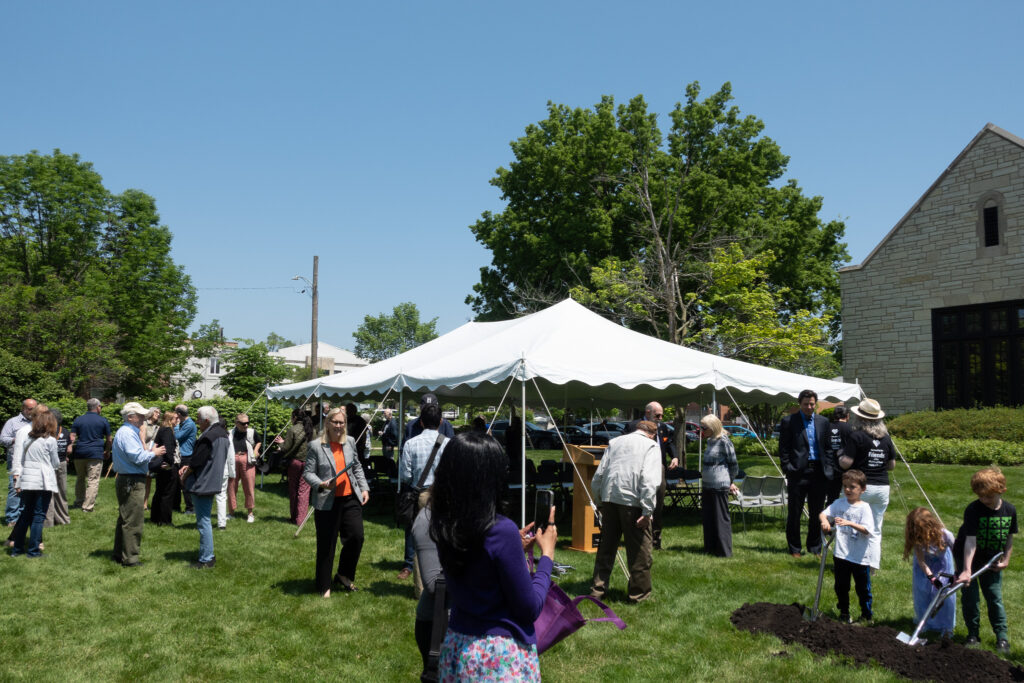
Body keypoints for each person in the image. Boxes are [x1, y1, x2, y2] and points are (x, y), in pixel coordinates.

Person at [431, 432, 557, 681]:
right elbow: (529, 607)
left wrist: (512, 551)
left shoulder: (445, 523)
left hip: (457, 646)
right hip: (497, 657)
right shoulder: (501, 530)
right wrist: (547, 557)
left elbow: (477, 566)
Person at [589, 419, 661, 603]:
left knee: (606, 548)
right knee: (640, 552)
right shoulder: (651, 446)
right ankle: (639, 594)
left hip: (610, 498)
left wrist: (599, 501)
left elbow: (599, 475)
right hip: (633, 502)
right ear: (652, 434)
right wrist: (647, 511)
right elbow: (649, 479)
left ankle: (597, 589)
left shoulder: (615, 442)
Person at [303, 407, 369, 597]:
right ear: (328, 423)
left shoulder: (349, 442)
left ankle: (344, 574)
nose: (339, 426)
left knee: (356, 537)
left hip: (350, 498)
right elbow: (308, 473)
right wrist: (321, 484)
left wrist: (364, 488)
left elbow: (356, 466)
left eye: (342, 423)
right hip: (326, 501)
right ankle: (324, 586)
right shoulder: (316, 446)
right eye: (336, 422)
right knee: (327, 544)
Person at [957, 466, 1016, 654]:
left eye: (988, 497)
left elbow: (1009, 538)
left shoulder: (1009, 510)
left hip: (992, 560)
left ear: (1001, 490)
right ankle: (973, 634)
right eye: (981, 496)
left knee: (994, 597)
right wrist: (966, 570)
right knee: (970, 598)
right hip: (968, 557)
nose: (984, 500)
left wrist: (1006, 559)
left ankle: (1002, 637)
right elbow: (970, 542)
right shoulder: (973, 510)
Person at [839, 398, 895, 570]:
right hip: (882, 487)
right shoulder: (886, 438)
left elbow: (847, 463)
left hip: (860, 487)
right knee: (875, 528)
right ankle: (872, 565)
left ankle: (850, 562)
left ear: (860, 418)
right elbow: (891, 465)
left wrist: (840, 456)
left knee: (849, 525)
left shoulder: (857, 436)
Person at [397, 402, 449, 584]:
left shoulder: (411, 444)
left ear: (420, 422)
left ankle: (422, 588)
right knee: (444, 538)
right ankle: (445, 583)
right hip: (443, 494)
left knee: (420, 541)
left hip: (420, 494)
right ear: (441, 421)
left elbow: (405, 476)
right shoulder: (449, 444)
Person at [111, 402, 166, 567]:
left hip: (129, 478)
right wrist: (153, 453)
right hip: (132, 480)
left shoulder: (128, 432)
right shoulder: (127, 433)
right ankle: (130, 558)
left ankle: (119, 553)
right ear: (130, 417)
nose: (144, 418)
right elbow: (137, 457)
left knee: (125, 518)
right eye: (140, 415)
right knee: (133, 520)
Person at [779, 389, 832, 558]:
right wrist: (788, 467)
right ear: (799, 404)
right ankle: (795, 548)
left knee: (818, 512)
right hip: (798, 472)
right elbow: (784, 448)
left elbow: (828, 447)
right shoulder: (789, 421)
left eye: (812, 404)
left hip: (819, 472)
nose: (809, 407)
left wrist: (829, 466)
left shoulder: (823, 421)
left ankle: (815, 547)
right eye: (805, 404)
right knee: (795, 512)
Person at [820, 469, 876, 623]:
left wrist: (850, 523)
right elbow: (824, 513)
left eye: (852, 487)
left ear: (862, 489)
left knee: (863, 588)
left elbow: (867, 530)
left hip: (859, 556)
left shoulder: (864, 508)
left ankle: (867, 614)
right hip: (841, 554)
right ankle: (844, 612)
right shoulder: (839, 503)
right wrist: (825, 521)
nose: (847, 490)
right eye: (845, 486)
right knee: (841, 586)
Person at [180, 406, 230, 569]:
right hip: (214, 480)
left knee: (204, 522)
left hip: (203, 482)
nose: (197, 422)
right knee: (205, 520)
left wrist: (185, 475)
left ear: (207, 421)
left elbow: (196, 462)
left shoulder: (208, 436)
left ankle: (207, 558)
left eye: (198, 419)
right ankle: (208, 555)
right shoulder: (223, 433)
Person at [625, 401, 677, 550]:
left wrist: (674, 456)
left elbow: (669, 443)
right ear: (648, 413)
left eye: (662, 415)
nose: (661, 418)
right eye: (658, 415)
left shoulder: (663, 427)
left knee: (657, 504)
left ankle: (656, 540)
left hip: (658, 468)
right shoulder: (633, 426)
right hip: (638, 469)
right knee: (638, 504)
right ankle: (637, 537)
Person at [8, 410, 59, 557]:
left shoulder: (28, 439)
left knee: (25, 514)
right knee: (38, 516)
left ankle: (17, 549)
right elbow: (55, 462)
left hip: (27, 480)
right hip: (42, 481)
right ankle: (33, 550)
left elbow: (22, 460)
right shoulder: (50, 440)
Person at [904, 507, 956, 638]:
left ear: (930, 525)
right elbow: (921, 561)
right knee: (923, 593)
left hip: (943, 567)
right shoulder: (918, 539)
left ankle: (947, 626)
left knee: (945, 596)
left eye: (922, 531)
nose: (920, 534)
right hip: (925, 568)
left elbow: (958, 554)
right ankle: (925, 623)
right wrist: (932, 578)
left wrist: (957, 574)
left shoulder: (946, 535)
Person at [699, 415, 740, 557]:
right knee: (708, 517)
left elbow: (733, 464)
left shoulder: (724, 441)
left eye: (704, 427)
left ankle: (724, 551)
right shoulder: (710, 441)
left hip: (719, 485)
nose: (701, 430)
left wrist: (730, 481)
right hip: (707, 485)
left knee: (720, 518)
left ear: (713, 427)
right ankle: (710, 547)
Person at [70, 398, 111, 513]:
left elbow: (72, 437)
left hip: (80, 452)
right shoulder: (103, 420)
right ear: (97, 407)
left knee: (80, 478)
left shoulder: (78, 419)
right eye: (101, 407)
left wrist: (68, 450)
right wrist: (107, 451)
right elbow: (109, 439)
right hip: (95, 453)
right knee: (93, 480)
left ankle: (79, 501)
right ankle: (87, 506)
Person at [2, 398, 37, 525]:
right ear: (23, 408)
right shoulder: (12, 422)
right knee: (15, 489)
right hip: (16, 460)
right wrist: (16, 440)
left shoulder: (37, 422)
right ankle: (12, 518)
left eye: (34, 409)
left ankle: (24, 515)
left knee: (29, 490)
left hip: (33, 461)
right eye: (29, 409)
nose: (32, 411)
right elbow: (3, 439)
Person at [279, 408, 314, 525]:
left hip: (294, 463)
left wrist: (280, 442)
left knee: (293, 490)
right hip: (308, 462)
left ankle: (294, 517)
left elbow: (285, 448)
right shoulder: (311, 430)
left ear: (294, 417)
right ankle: (301, 519)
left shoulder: (292, 430)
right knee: (304, 491)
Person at [227, 413, 261, 523]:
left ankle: (250, 513)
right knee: (231, 487)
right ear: (236, 423)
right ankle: (231, 512)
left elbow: (259, 441)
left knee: (249, 487)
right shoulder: (230, 433)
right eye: (243, 423)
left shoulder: (251, 432)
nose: (246, 425)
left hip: (248, 460)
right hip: (233, 461)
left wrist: (256, 450)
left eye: (247, 423)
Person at [150, 410, 180, 526]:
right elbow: (168, 449)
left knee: (160, 491)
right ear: (170, 420)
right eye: (176, 418)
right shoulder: (167, 431)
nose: (178, 420)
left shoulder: (161, 429)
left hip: (161, 464)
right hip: (167, 466)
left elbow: (155, 444)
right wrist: (170, 463)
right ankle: (165, 520)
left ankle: (155, 517)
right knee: (168, 493)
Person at [44, 408, 72, 527]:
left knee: (47, 492)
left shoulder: (45, 432)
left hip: (48, 464)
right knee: (61, 492)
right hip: (61, 463)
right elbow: (70, 448)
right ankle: (63, 519)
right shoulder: (65, 431)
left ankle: (48, 521)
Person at [824, 405, 852, 504]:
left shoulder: (827, 427)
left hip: (830, 466)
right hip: (846, 467)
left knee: (831, 497)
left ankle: (829, 518)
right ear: (847, 416)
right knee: (848, 495)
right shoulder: (850, 428)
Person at [174, 405, 197, 514]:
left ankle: (190, 508)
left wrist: (176, 425)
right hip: (182, 455)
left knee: (185, 481)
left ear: (179, 414)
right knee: (179, 482)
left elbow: (177, 436)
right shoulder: (186, 423)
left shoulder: (189, 424)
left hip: (186, 456)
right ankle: (177, 506)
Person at [141, 407, 161, 511]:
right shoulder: (144, 424)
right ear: (151, 412)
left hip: (153, 454)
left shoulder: (157, 427)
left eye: (159, 412)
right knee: (141, 479)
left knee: (149, 479)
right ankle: (138, 502)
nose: (158, 414)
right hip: (144, 453)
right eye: (156, 412)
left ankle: (145, 504)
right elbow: (142, 439)